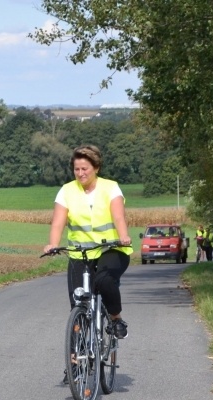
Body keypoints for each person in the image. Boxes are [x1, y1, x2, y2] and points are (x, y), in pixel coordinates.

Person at [45, 145, 133, 381]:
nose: (80, 173)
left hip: (111, 248)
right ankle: (75, 362)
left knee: (104, 280)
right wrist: (52, 243)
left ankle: (115, 320)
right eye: (76, 169)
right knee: (78, 304)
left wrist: (123, 235)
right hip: (80, 253)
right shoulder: (66, 191)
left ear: (96, 168)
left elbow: (118, 216)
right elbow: (57, 222)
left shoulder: (110, 187)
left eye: (85, 168)